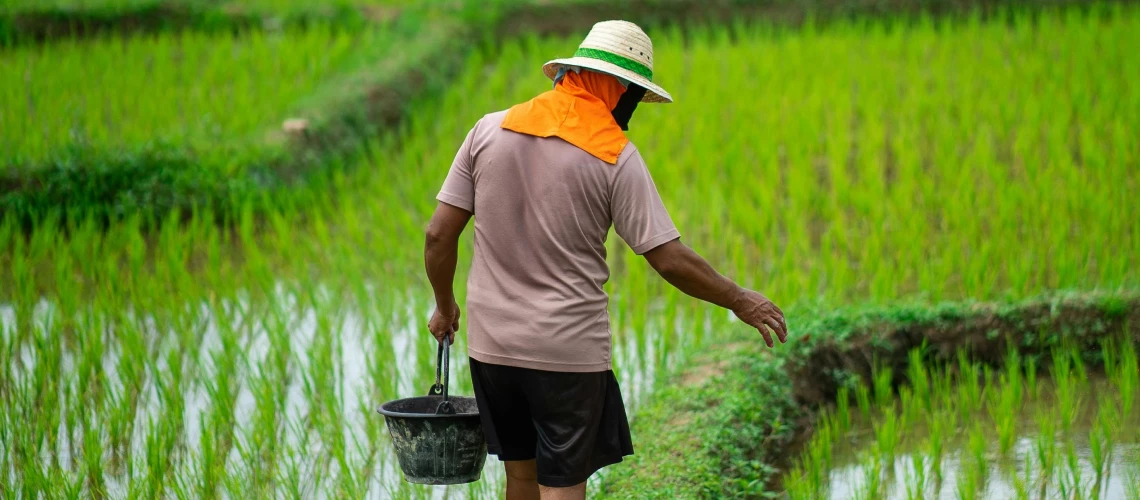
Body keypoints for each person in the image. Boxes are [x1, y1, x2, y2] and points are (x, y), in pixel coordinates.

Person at [423, 20, 787, 500]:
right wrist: (740, 300)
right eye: (634, 95)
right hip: (566, 354)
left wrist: (445, 305)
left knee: (522, 477)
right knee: (563, 484)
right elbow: (669, 258)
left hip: (493, 349)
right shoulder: (615, 154)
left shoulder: (489, 129)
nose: (633, 108)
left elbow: (437, 235)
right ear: (615, 88)